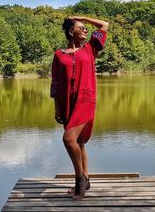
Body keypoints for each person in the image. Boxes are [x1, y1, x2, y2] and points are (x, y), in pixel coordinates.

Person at [50, 16, 109, 200]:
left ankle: (80, 182)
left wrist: (82, 18)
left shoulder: (91, 49)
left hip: (85, 100)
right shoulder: (59, 55)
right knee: (79, 142)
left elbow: (104, 25)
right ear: (70, 32)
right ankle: (87, 178)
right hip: (67, 102)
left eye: (85, 28)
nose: (85, 30)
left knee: (69, 139)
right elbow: (56, 83)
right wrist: (57, 107)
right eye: (81, 27)